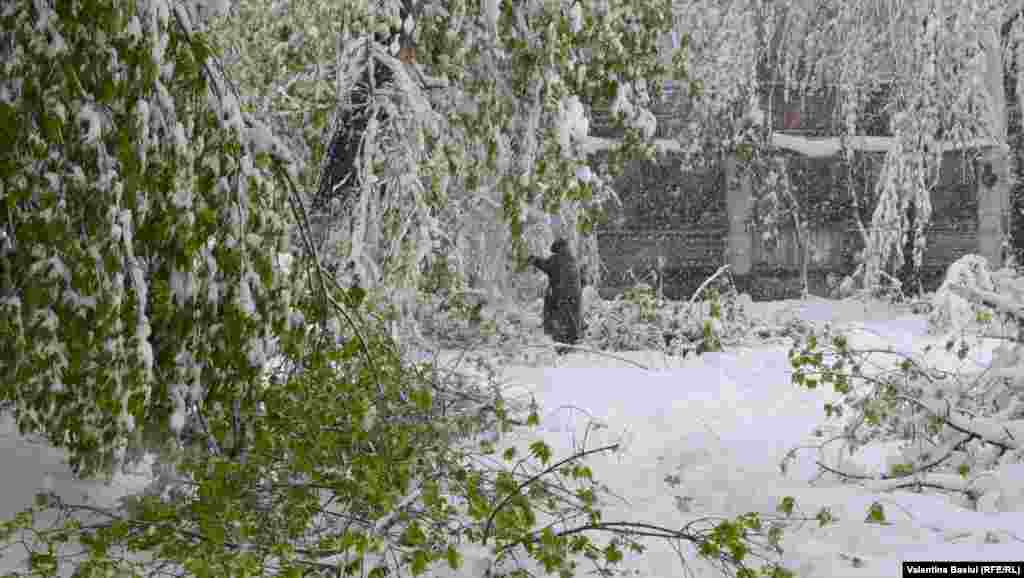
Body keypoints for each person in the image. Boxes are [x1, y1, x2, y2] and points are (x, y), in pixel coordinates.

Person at [528, 238, 583, 345]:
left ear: (557, 249)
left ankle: (560, 341)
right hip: (574, 295)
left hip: (561, 294)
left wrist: (534, 260)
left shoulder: (557, 259)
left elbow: (546, 266)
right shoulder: (571, 259)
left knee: (558, 318)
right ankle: (573, 338)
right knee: (571, 318)